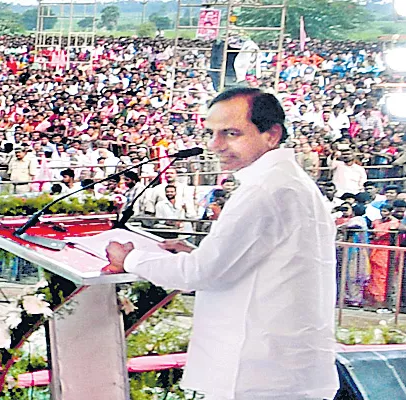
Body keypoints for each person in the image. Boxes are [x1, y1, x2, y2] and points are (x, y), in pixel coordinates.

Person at [106, 88, 339, 400]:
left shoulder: (266, 190)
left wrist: (131, 260)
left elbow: (201, 274)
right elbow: (248, 262)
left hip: (260, 373)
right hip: (281, 369)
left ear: (272, 134)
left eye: (231, 133)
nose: (216, 146)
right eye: (211, 133)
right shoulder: (287, 182)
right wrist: (198, 255)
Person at [366, 204, 399, 312]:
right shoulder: (376, 221)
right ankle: (374, 300)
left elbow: (381, 233)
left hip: (386, 251)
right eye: (382, 211)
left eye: (385, 211)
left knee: (383, 276)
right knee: (374, 275)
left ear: (390, 211)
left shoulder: (394, 222)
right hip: (376, 250)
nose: (383, 213)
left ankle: (382, 300)